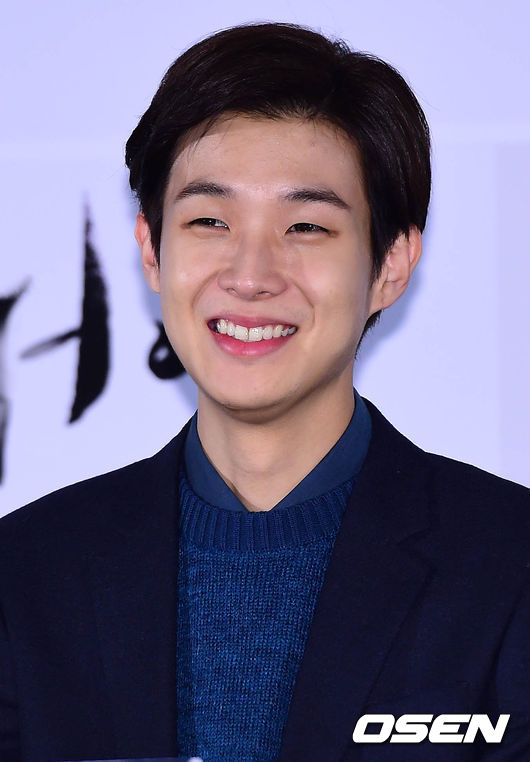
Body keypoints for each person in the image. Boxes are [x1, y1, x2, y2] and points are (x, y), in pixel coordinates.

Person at [0, 21, 529, 762]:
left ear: (391, 265)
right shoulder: (25, 573)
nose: (250, 275)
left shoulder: (509, 564)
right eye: (209, 221)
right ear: (151, 250)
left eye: (305, 226)